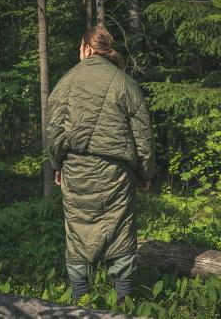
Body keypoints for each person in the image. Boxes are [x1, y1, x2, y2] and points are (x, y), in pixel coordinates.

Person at [46, 25, 155, 304]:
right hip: (117, 174)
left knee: (78, 231)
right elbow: (142, 134)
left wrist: (58, 165)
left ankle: (81, 301)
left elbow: (54, 133)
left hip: (76, 169)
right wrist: (145, 172)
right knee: (120, 231)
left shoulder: (64, 83)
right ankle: (124, 302)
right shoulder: (125, 83)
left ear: (85, 49)